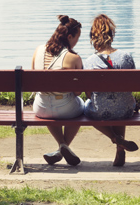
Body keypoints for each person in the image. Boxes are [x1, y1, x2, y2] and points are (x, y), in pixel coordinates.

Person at [83, 14, 139, 167]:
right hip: (126, 110)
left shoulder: (89, 62)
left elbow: (89, 94)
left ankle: (115, 138)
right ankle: (119, 148)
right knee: (120, 101)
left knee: (84, 110)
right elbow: (133, 87)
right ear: (111, 35)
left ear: (93, 38)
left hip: (100, 111)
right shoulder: (126, 57)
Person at [31, 15, 85, 166]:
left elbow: (33, 80)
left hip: (41, 108)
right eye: (77, 37)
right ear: (69, 36)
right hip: (66, 108)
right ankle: (63, 147)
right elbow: (77, 92)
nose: (77, 41)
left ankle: (61, 147)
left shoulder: (38, 50)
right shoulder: (73, 58)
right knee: (82, 108)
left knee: (49, 106)